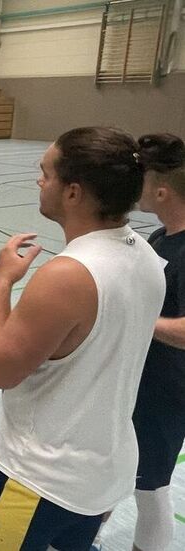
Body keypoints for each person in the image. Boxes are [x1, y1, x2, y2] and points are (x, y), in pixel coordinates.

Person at [0, 127, 164, 550]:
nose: (39, 181)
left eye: (46, 174)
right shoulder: (146, 255)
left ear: (73, 194)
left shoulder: (69, 275)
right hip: (101, 478)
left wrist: (2, 281)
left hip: (36, 481)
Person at [125, 133, 185, 551]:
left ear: (161, 189)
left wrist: (136, 319)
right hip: (145, 383)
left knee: (151, 488)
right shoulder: (161, 237)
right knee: (130, 476)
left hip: (169, 390)